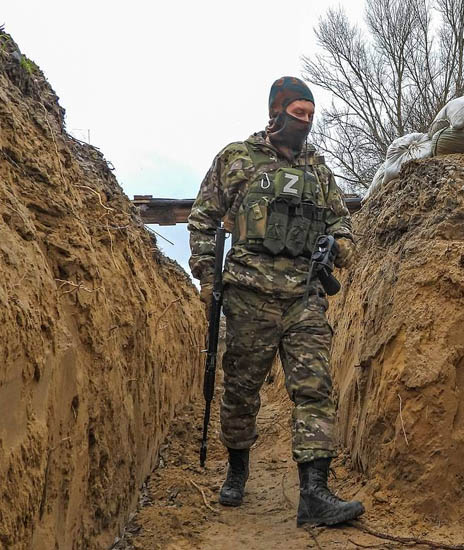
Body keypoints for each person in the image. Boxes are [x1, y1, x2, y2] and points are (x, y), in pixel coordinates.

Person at [187, 76, 364, 527]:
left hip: (303, 295)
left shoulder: (319, 171)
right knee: (241, 390)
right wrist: (209, 275)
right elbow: (204, 218)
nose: (303, 123)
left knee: (314, 388)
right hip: (248, 294)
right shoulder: (236, 159)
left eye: (310, 116)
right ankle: (238, 468)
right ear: (276, 113)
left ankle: (314, 493)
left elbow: (343, 226)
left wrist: (337, 248)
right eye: (296, 114)